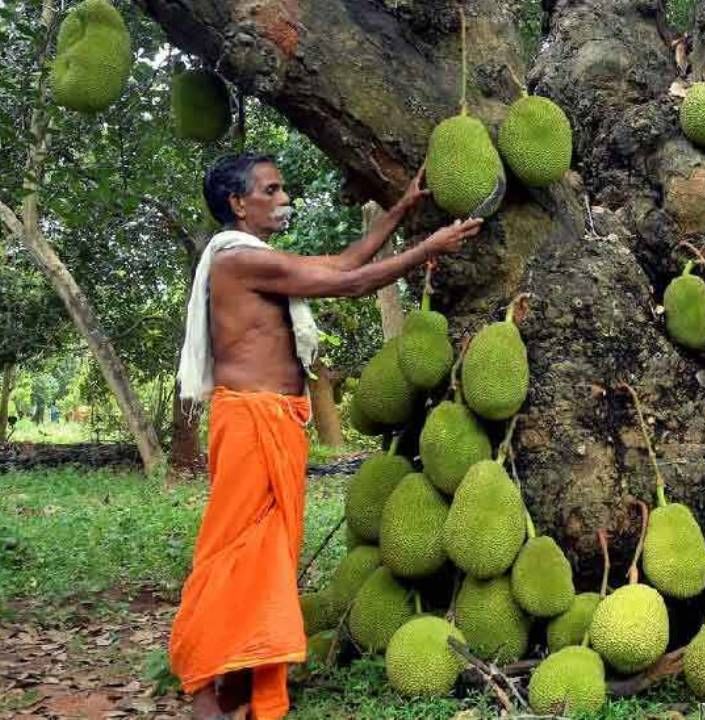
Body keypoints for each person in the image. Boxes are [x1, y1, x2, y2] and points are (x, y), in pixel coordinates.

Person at [169, 152, 482, 720]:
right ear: (239, 203)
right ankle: (203, 688)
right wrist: (428, 248)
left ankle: (245, 678)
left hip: (277, 420)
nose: (284, 196)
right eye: (272, 188)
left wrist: (399, 210)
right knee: (231, 551)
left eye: (282, 187)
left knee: (268, 555)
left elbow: (342, 262)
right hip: (250, 420)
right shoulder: (237, 259)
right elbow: (352, 283)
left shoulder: (257, 257)